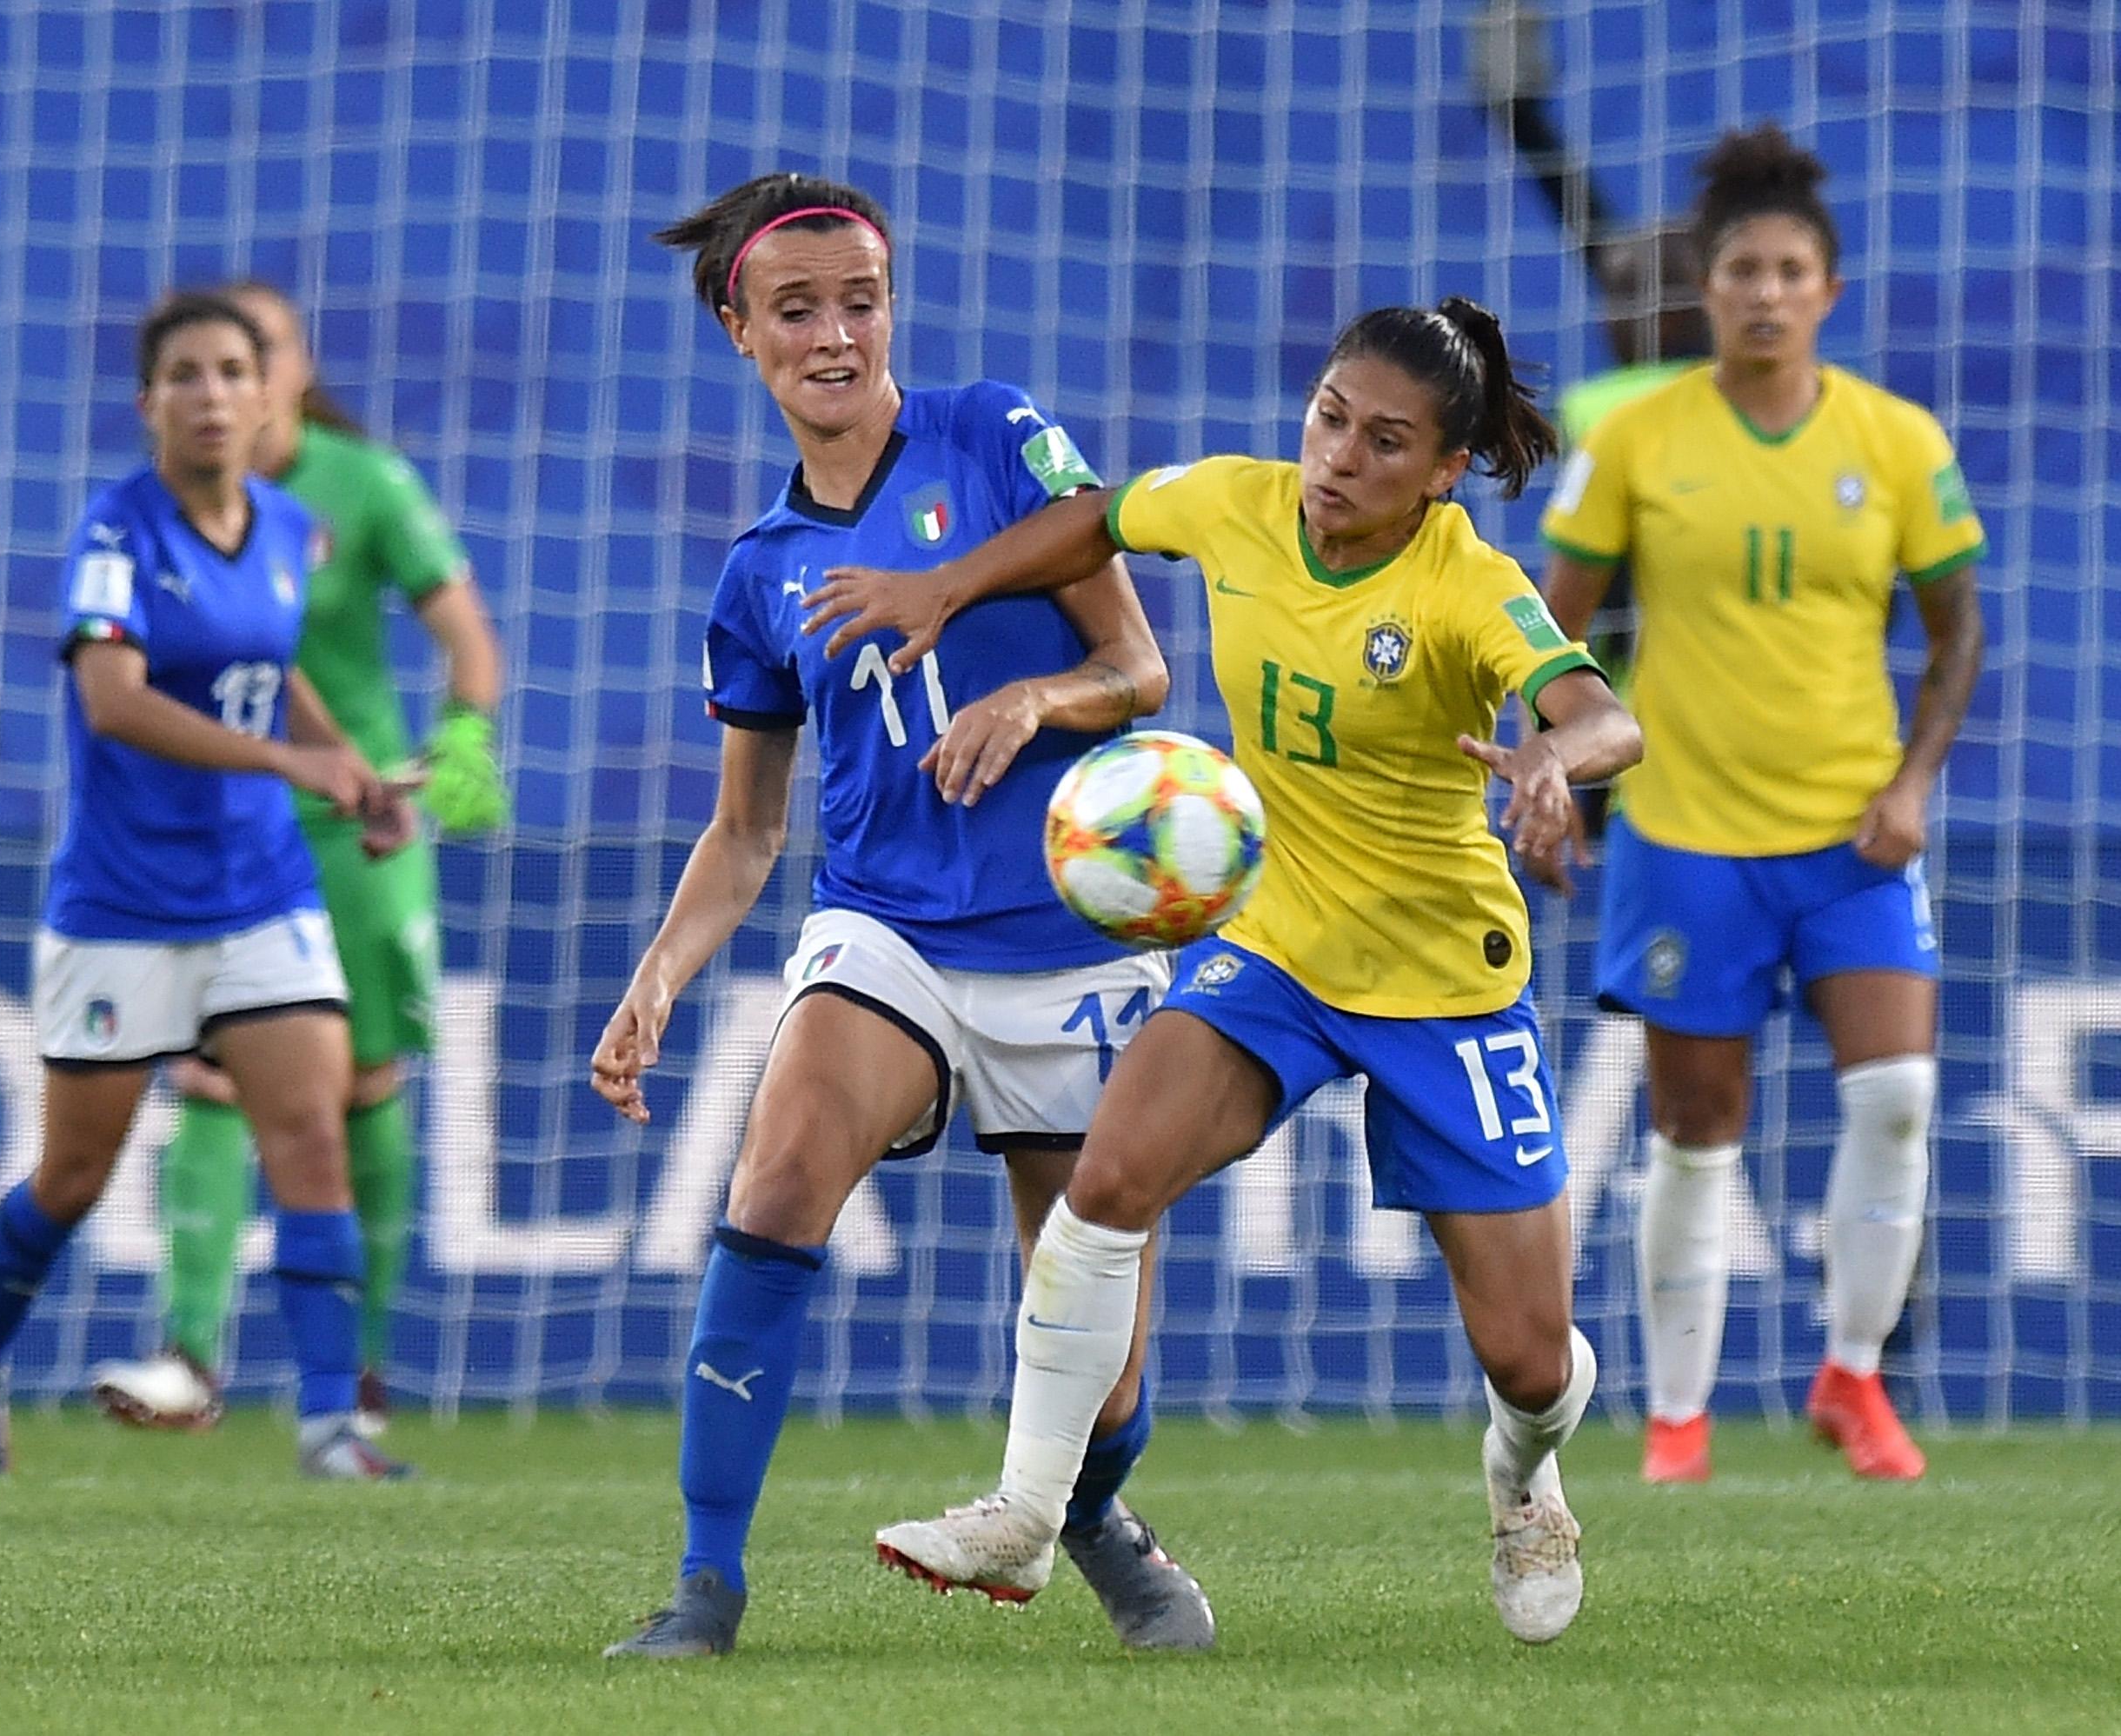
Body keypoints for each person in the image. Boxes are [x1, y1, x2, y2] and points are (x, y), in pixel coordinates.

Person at [814, 297, 1644, 1646]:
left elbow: (1602, 710)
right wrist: (948, 584)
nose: (1337, 457)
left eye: (1385, 442)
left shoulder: (1465, 582)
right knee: (1106, 1182)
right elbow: (1100, 517)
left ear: (1444, 469)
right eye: (1328, 416)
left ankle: (1524, 1469)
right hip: (1272, 946)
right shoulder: (1235, 504)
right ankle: (1027, 1512)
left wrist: (1558, 756)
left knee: (1530, 1359)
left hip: (1445, 981)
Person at [585, 172, 1206, 1660]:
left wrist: (1030, 697)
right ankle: (705, 1586)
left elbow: (1140, 670)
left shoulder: (996, 435)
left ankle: (1095, 1511)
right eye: (796, 309)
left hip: (1073, 938)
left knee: (1098, 1354)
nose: (835, 333)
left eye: (859, 301)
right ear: (741, 332)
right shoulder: (759, 575)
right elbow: (747, 829)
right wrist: (661, 975)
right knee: (778, 1169)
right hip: (891, 933)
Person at [1534, 123, 1986, 1485]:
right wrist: (1554, 758)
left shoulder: (1899, 441)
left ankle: (1854, 1378)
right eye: (1743, 270)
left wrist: (1913, 782)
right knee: (1693, 1133)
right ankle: (1680, 1419)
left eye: (1792, 270)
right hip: (1686, 835)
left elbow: (1958, 628)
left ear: (1828, 292)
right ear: (1708, 288)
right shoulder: (1631, 437)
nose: (1767, 292)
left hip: (1853, 834)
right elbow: (1546, 625)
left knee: (1898, 1094)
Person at [0, 291, 413, 1481]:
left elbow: (271, 669)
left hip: (262, 888)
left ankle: (328, 1425)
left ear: (269, 394)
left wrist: (345, 768)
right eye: (184, 375)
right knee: (73, 1178)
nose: (211, 395)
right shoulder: (117, 532)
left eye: (233, 371)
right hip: (123, 904)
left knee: (310, 1137)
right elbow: (116, 699)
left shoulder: (294, 530)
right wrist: (293, 760)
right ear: (149, 404)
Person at [87, 281, 509, 1441]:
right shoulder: (172, 509)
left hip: (356, 821)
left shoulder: (361, 482)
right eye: (208, 362)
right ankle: (189, 1354)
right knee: (217, 1076)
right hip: (233, 823)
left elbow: (468, 638)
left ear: (291, 369)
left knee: (367, 1086)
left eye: (254, 354)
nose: (231, 378)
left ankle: (358, 1377)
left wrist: (464, 733)